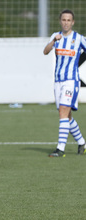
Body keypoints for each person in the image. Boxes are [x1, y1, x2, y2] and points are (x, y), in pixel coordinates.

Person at [43, 9, 86, 157]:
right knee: (66, 116)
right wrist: (54, 40)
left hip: (71, 81)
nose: (66, 22)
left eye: (69, 20)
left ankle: (60, 149)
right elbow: (45, 51)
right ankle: (82, 143)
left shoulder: (79, 38)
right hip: (58, 81)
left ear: (73, 22)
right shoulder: (56, 37)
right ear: (60, 21)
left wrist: (78, 63)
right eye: (63, 20)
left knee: (63, 112)